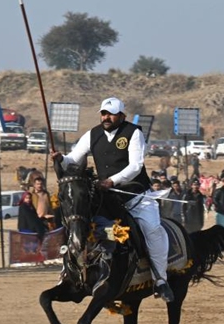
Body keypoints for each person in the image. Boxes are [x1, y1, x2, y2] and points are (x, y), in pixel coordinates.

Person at [51, 97, 174, 302]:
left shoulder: (133, 132)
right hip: (106, 197)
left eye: (111, 114)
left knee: (153, 229)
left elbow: (135, 166)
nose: (106, 117)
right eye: (103, 113)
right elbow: (73, 159)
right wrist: (60, 158)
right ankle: (69, 272)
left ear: (121, 115)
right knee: (77, 222)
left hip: (135, 195)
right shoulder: (93, 134)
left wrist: (112, 180)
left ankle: (160, 280)